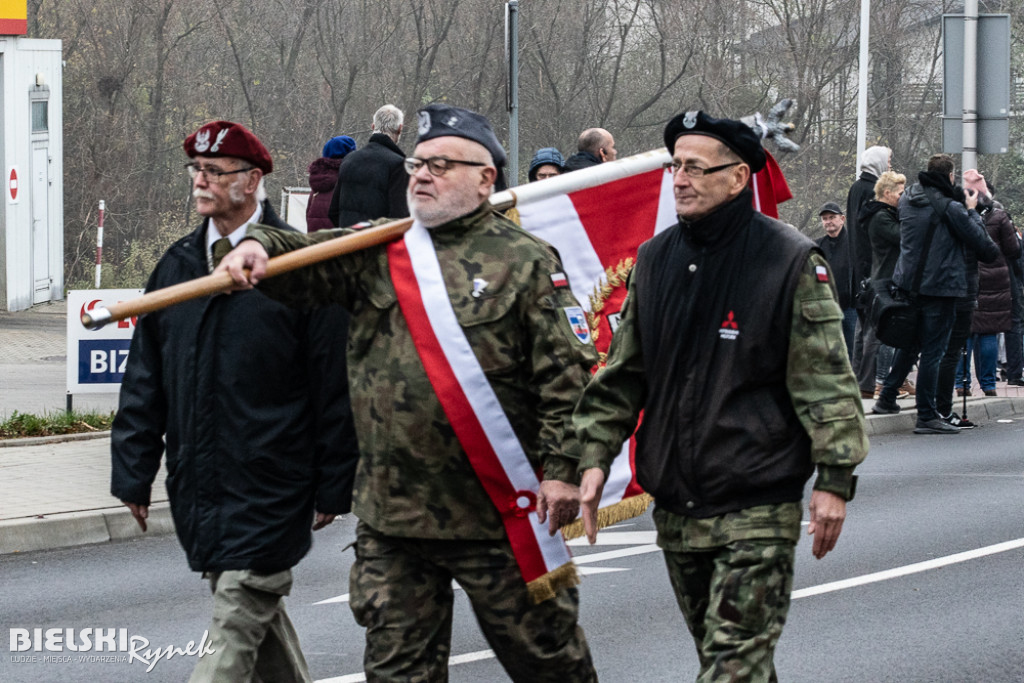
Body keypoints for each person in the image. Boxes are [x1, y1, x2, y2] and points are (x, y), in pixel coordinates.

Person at [217, 104, 598, 682]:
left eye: (441, 165)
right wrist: (254, 245)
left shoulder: (524, 262)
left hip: (498, 517)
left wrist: (563, 469)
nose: (420, 174)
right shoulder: (381, 249)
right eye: (418, 162)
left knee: (553, 666)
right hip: (394, 522)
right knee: (397, 675)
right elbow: (297, 262)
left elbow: (566, 377)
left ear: (485, 177)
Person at [572, 110, 868, 681]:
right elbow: (622, 374)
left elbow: (827, 383)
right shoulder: (654, 260)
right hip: (679, 508)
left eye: (695, 168)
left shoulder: (788, 260)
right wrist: (590, 456)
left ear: (737, 178)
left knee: (733, 670)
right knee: (729, 660)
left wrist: (834, 481)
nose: (679, 179)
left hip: (757, 504)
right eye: (674, 167)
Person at [111, 120, 359, 682]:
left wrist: (333, 483)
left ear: (251, 182)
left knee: (236, 618)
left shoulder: (298, 267)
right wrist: (133, 471)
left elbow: (332, 384)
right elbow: (146, 378)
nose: (200, 182)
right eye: (195, 170)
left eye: (214, 172)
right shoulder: (176, 267)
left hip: (274, 482)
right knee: (253, 619)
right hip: (200, 481)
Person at [872, 154, 998, 434]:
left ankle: (887, 397)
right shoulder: (951, 207)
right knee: (934, 351)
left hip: (908, 284)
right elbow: (987, 249)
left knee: (911, 344)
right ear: (950, 177)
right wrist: (971, 210)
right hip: (940, 287)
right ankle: (927, 415)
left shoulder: (908, 199)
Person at [957, 170, 1019, 399]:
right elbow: (1013, 250)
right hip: (996, 280)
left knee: (965, 332)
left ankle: (961, 381)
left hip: (967, 276)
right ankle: (989, 383)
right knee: (989, 333)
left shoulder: (959, 213)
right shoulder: (1000, 217)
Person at [848, 145, 892, 398]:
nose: (888, 166)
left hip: (860, 268)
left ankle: (859, 380)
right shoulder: (871, 190)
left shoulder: (856, 187)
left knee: (862, 330)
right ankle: (869, 382)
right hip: (872, 269)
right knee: (874, 330)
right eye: (886, 161)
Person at [862, 171, 907, 397]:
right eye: (900, 193)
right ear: (887, 193)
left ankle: (895, 379)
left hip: (889, 278)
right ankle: (880, 381)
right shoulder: (881, 217)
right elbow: (902, 237)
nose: (904, 198)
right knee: (887, 332)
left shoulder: (885, 214)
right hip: (885, 280)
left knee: (887, 333)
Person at [327, 104, 409, 227]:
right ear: (400, 128)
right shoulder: (398, 165)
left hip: (347, 241)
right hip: (377, 243)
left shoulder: (349, 159)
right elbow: (399, 218)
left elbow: (333, 211)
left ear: (373, 126)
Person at [816, 202, 857, 361]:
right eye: (825, 218)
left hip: (850, 307)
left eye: (832, 217)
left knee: (850, 350)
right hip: (825, 308)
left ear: (842, 219)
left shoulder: (854, 244)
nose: (828, 221)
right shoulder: (817, 245)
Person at [306, 134, 356, 232]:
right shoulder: (348, 183)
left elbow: (308, 217)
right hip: (340, 243)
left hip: (317, 243)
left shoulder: (316, 186)